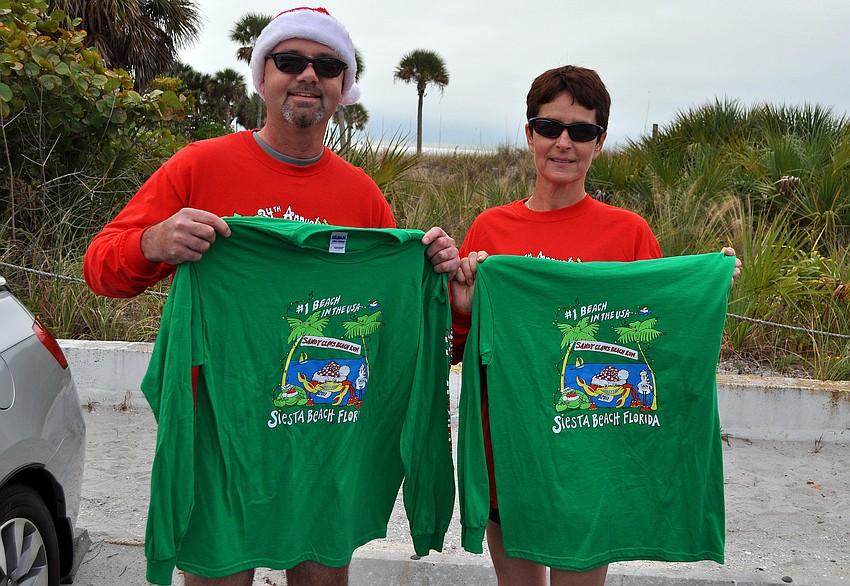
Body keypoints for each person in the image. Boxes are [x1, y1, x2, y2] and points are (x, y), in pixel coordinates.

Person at [83, 7, 458, 585]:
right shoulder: (198, 167)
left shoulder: (361, 196)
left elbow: (396, 331)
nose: (309, 75)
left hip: (326, 433)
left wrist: (431, 276)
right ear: (262, 76)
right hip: (223, 435)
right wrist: (155, 241)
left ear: (342, 88)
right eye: (290, 61)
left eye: (328, 66)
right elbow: (100, 269)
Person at [449, 65, 741, 586]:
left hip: (592, 454)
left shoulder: (628, 234)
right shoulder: (492, 230)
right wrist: (466, 308)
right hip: (511, 456)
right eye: (550, 127)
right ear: (529, 133)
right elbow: (461, 350)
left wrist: (704, 285)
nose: (564, 142)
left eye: (581, 131)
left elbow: (659, 341)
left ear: (599, 142)